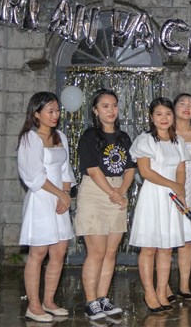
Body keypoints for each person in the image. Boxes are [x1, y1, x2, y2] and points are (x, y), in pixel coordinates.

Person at [75, 88, 135, 320]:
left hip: (117, 191)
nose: (111, 110)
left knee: (111, 252)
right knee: (97, 251)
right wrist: (112, 193)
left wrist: (121, 191)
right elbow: (92, 169)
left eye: (114, 105)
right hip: (95, 191)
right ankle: (91, 301)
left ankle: (103, 298)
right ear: (95, 110)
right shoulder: (89, 136)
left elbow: (130, 169)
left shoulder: (124, 137)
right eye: (105, 106)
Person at [129, 97, 191, 312]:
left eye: (167, 114)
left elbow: (181, 169)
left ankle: (161, 291)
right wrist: (173, 185)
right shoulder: (145, 140)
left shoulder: (178, 141)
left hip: (172, 198)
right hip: (153, 195)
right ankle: (149, 292)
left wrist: (180, 189)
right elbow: (146, 172)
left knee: (166, 248)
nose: (164, 118)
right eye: (159, 114)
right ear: (151, 117)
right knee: (149, 248)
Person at [17, 92, 75, 322]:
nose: (55, 115)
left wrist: (66, 194)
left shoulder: (61, 136)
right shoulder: (29, 138)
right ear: (36, 114)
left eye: (57, 110)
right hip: (41, 199)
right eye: (50, 111)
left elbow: (66, 170)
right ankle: (33, 306)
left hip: (60, 200)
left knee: (59, 251)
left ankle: (48, 301)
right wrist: (60, 193)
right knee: (38, 253)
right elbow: (34, 175)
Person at [171, 93, 191, 302]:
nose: (187, 107)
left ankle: (184, 286)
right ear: (173, 107)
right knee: (165, 241)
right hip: (169, 189)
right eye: (182, 103)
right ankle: (164, 287)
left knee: (187, 240)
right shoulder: (165, 130)